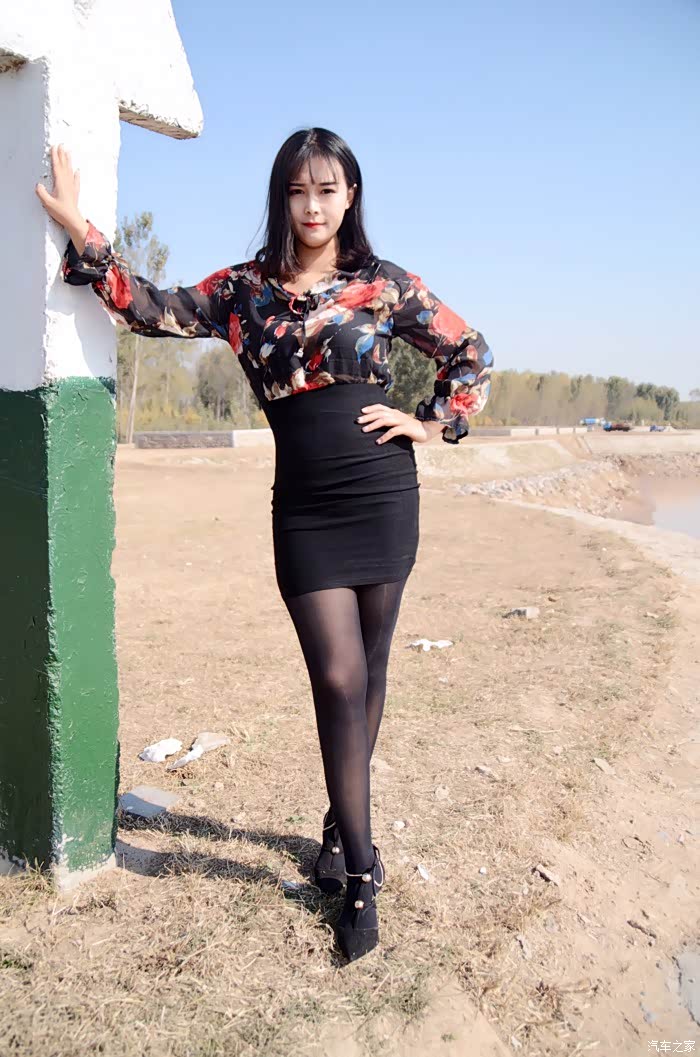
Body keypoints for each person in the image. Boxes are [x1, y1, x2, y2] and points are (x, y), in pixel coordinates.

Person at [36, 130, 493, 962]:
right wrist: (81, 231)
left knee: (372, 669)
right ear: (283, 198)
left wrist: (429, 422)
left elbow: (471, 352)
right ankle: (362, 873)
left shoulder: (384, 284)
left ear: (351, 196)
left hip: (383, 496)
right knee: (338, 676)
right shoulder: (244, 291)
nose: (313, 206)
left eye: (328, 189)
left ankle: (339, 830)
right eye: (298, 191)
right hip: (307, 511)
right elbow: (147, 306)